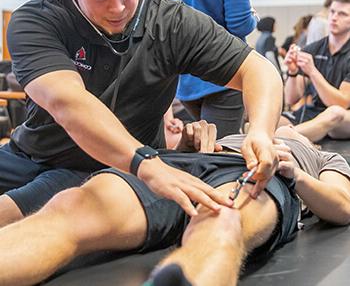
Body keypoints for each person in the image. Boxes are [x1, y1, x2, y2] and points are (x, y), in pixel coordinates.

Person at [0, 0, 282, 228]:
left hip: (105, 168)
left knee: (12, 214)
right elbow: (68, 103)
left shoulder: (169, 21)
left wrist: (260, 130)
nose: (118, 8)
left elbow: (259, 70)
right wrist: (147, 164)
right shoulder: (37, 20)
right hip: (31, 152)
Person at [0, 125, 349, 286]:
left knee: (223, 222)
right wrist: (188, 141)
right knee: (72, 205)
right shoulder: (247, 126)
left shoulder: (320, 156)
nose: (287, 124)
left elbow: (343, 206)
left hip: (262, 175)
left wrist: (295, 173)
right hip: (184, 164)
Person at [160, 0, 257, 138]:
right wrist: (253, 18)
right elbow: (239, 24)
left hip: (186, 79)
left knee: (211, 145)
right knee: (220, 153)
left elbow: (169, 26)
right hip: (224, 74)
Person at [281, 0, 350, 142]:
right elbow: (291, 99)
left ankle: (287, 137)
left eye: (342, 14)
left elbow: (342, 103)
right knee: (275, 120)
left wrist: (312, 72)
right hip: (316, 113)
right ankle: (282, 135)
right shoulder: (312, 49)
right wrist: (292, 72)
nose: (334, 17)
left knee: (334, 113)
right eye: (332, 12)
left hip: (344, 117)